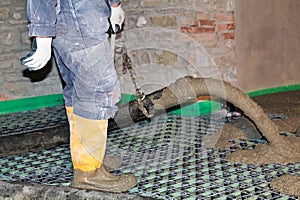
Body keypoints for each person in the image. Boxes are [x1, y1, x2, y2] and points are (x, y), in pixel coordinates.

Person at [20, 0, 137, 193]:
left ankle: (88, 164)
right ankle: (88, 174)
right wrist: (42, 32)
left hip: (84, 15)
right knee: (99, 90)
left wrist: (114, 5)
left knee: (80, 91)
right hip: (77, 16)